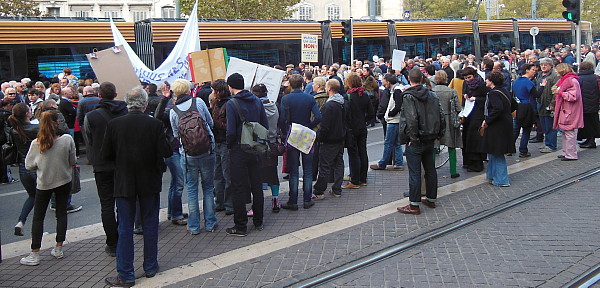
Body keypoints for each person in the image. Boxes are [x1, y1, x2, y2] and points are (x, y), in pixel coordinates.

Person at [103, 87, 171, 287]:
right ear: (144, 104)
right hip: (149, 180)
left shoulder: (114, 124)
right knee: (150, 223)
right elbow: (165, 151)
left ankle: (126, 274)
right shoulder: (155, 124)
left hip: (124, 181)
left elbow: (105, 154)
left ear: (127, 103)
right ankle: (150, 266)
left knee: (125, 227)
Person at [20, 110, 76, 266]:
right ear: (57, 122)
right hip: (64, 180)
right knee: (61, 214)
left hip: (44, 183)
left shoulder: (36, 143)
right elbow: (72, 159)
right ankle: (58, 248)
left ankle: (35, 252)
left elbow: (29, 165)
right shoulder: (66, 139)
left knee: (38, 217)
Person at [83, 82, 128, 256]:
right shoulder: (125, 112)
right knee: (123, 202)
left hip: (102, 165)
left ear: (99, 96)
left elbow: (89, 139)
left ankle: (112, 243)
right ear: (115, 94)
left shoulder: (91, 116)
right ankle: (124, 237)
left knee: (107, 204)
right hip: (122, 163)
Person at [169, 79, 217, 235]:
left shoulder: (173, 111)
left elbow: (176, 135)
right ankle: (210, 223)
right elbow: (210, 123)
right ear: (189, 90)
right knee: (208, 187)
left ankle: (194, 226)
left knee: (191, 190)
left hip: (188, 154)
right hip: (206, 150)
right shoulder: (199, 103)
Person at [225, 73, 269, 236]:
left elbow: (230, 131)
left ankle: (241, 226)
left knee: (238, 187)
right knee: (257, 186)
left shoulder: (232, 104)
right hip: (255, 148)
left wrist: (230, 146)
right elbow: (264, 124)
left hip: (238, 149)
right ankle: (259, 221)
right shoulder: (257, 100)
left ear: (231, 86)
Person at [397, 69, 445, 215]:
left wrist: (413, 139)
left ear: (410, 79)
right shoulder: (432, 95)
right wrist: (439, 134)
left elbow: (411, 119)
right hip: (430, 137)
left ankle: (414, 205)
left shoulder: (409, 96)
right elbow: (441, 115)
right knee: (430, 169)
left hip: (417, 140)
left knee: (415, 172)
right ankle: (431, 198)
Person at [279, 74, 321, 210]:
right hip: (306, 133)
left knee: (294, 170)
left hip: (292, 134)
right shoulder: (310, 98)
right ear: (302, 84)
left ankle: (293, 201)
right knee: (308, 169)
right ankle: (307, 199)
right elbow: (319, 117)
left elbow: (282, 119)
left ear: (290, 85)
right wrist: (309, 125)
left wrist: (286, 132)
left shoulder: (286, 99)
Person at [155, 81, 188, 224]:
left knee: (175, 182)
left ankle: (173, 211)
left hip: (173, 148)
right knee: (179, 183)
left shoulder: (174, 108)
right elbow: (158, 116)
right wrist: (164, 98)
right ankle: (176, 215)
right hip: (173, 149)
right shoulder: (171, 110)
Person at [313, 79, 348, 199]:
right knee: (338, 163)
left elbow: (325, 125)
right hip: (340, 137)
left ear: (328, 89)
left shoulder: (329, 105)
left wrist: (320, 138)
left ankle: (319, 191)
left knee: (324, 166)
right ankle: (337, 189)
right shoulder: (343, 102)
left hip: (329, 139)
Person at [482, 71, 516, 187]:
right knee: (493, 151)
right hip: (505, 123)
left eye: (487, 79)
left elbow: (498, 108)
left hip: (497, 126)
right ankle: (491, 175)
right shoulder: (505, 91)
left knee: (497, 152)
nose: (485, 81)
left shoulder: (493, 94)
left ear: (492, 81)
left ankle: (501, 180)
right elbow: (514, 105)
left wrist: (487, 120)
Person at [10, 103, 39, 236]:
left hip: (23, 167)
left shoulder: (14, 130)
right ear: (27, 113)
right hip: (38, 166)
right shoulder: (35, 128)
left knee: (32, 196)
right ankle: (38, 230)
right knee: (46, 196)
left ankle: (21, 221)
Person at [252, 83, 282, 212]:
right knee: (272, 173)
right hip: (273, 143)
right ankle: (276, 200)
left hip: (259, 144)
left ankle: (257, 204)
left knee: (257, 175)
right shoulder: (274, 105)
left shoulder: (255, 107)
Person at [343, 73, 375, 189]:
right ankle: (363, 178)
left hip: (352, 129)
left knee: (353, 154)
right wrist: (364, 120)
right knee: (363, 152)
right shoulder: (365, 94)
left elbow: (345, 114)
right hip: (362, 127)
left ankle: (354, 180)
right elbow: (371, 113)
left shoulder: (348, 96)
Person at [210, 79, 234, 215]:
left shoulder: (228, 104)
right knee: (218, 174)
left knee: (226, 174)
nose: (212, 93)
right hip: (218, 143)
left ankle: (229, 204)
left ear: (219, 91)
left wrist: (216, 123)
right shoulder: (216, 104)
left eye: (214, 90)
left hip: (225, 143)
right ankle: (220, 202)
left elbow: (229, 126)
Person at [370, 73, 404, 171]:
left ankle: (382, 163)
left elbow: (398, 105)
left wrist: (390, 114)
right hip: (396, 120)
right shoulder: (397, 89)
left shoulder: (396, 91)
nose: (384, 83)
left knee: (388, 142)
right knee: (396, 143)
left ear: (389, 82)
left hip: (393, 121)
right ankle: (399, 163)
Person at [433, 70, 462, 178]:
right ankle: (453, 171)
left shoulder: (432, 91)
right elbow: (458, 108)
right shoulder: (451, 92)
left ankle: (431, 170)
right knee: (451, 145)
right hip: (449, 120)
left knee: (433, 146)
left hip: (435, 121)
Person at [552, 63, 584, 161]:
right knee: (565, 132)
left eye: (557, 70)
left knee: (569, 133)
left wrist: (560, 93)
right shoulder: (566, 80)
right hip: (566, 110)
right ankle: (566, 152)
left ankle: (571, 154)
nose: (556, 72)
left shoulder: (572, 81)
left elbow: (574, 96)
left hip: (570, 110)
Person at [461, 67, 489, 172]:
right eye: (466, 78)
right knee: (467, 138)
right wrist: (466, 96)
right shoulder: (466, 84)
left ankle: (477, 163)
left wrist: (476, 99)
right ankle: (468, 161)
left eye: (469, 77)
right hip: (468, 114)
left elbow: (486, 99)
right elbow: (464, 92)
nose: (468, 80)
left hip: (478, 115)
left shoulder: (482, 84)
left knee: (475, 139)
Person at [512, 63, 538, 158]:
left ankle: (510, 148)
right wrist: (543, 86)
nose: (534, 72)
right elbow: (536, 94)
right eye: (533, 70)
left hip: (517, 106)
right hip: (527, 106)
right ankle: (523, 150)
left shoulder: (515, 82)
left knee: (516, 129)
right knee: (526, 129)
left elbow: (513, 94)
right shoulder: (528, 82)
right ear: (527, 70)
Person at [535, 58, 560, 153]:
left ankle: (551, 145)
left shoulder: (554, 76)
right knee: (544, 125)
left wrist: (553, 104)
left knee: (550, 125)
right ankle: (547, 143)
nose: (543, 66)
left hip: (549, 103)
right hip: (540, 103)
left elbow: (555, 91)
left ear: (550, 65)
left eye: (545, 65)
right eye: (542, 65)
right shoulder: (540, 75)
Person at [577, 61, 600, 148]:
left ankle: (590, 141)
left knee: (586, 123)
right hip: (594, 103)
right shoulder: (596, 77)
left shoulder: (579, 78)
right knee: (593, 122)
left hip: (583, 104)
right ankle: (590, 140)